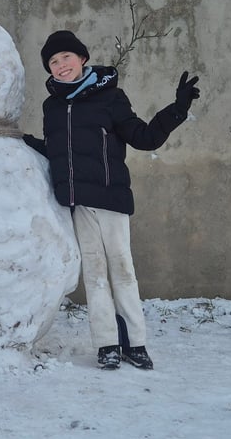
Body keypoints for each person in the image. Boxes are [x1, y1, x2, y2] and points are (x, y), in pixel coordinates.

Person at [24, 30, 201, 370]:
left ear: (83, 59)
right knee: (94, 275)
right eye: (53, 62)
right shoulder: (53, 107)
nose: (61, 66)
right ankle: (106, 344)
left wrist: (177, 109)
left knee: (122, 270)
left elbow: (144, 137)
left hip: (110, 198)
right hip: (77, 203)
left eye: (66, 58)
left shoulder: (110, 98)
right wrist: (23, 142)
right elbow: (57, 152)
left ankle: (135, 343)